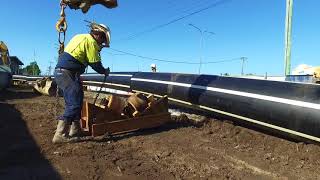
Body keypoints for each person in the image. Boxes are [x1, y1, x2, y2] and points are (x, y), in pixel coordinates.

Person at [52, 23, 111, 143]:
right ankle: (60, 134)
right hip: (67, 73)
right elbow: (95, 64)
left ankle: (75, 130)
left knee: (77, 100)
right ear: (99, 35)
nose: (102, 43)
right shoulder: (91, 42)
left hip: (66, 73)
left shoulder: (80, 36)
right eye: (103, 39)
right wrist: (104, 71)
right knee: (74, 103)